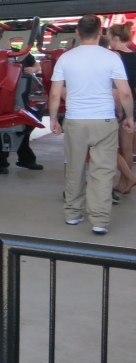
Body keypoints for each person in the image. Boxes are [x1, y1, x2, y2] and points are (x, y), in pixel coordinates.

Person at [49, 14, 134, 234]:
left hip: (75, 120)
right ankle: (99, 220)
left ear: (77, 32)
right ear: (100, 32)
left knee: (75, 168)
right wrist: (129, 117)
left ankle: (72, 214)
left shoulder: (65, 58)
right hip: (104, 120)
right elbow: (124, 92)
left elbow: (55, 94)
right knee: (103, 172)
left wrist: (53, 119)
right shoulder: (111, 57)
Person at [0, 29, 43, 174]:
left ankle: (26, 160)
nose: (5, 41)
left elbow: (37, 65)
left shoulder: (21, 53)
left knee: (23, 127)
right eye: (1, 38)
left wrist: (32, 69)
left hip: (19, 97)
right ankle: (1, 163)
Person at [107, 23, 136, 195]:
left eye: (109, 37)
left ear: (116, 38)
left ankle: (127, 179)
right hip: (133, 102)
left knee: (112, 145)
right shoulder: (134, 56)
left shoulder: (114, 56)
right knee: (127, 146)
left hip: (120, 103)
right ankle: (124, 182)